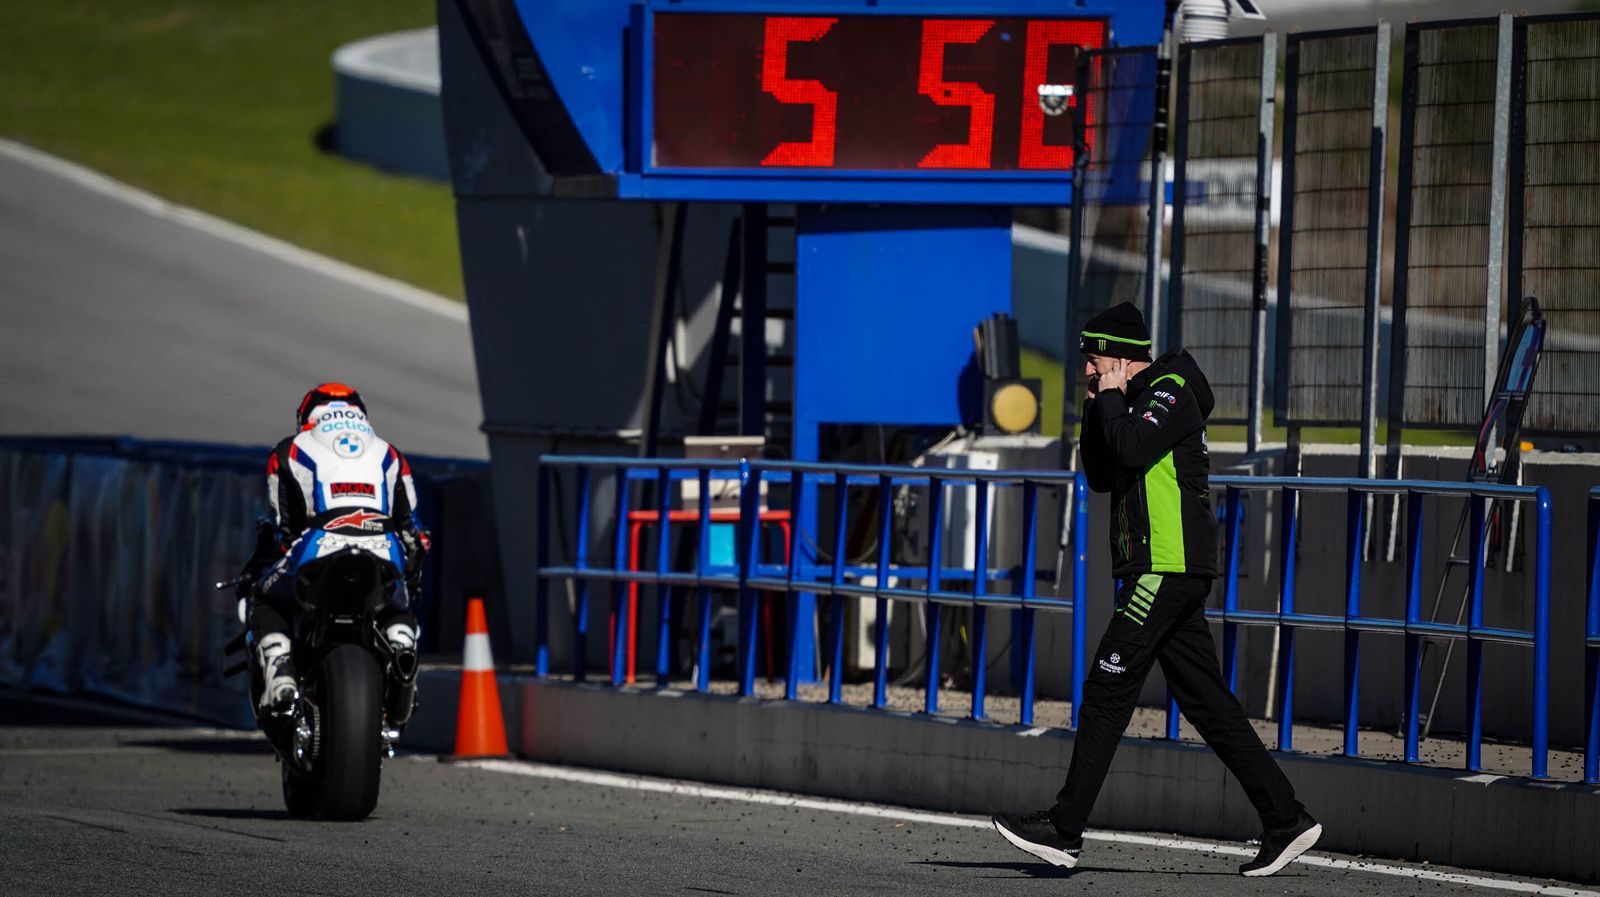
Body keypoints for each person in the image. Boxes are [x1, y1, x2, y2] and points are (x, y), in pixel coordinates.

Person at [991, 303, 1320, 877]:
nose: (1088, 375)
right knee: (1206, 702)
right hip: (1155, 568)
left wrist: (1114, 400)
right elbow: (1100, 473)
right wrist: (1099, 408)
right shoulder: (1121, 399)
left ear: (1119, 356)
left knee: (1107, 687)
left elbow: (1136, 450)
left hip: (1166, 568)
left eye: (1094, 365)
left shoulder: (1170, 388)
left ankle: (1066, 830)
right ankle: (1285, 818)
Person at [243, 383, 428, 724]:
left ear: (307, 417)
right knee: (398, 606)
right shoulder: (390, 453)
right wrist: (412, 569)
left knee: (265, 599)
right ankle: (402, 649)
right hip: (382, 545)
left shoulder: (288, 450)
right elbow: (411, 529)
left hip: (319, 543)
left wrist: (267, 559)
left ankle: (280, 666)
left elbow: (283, 525)